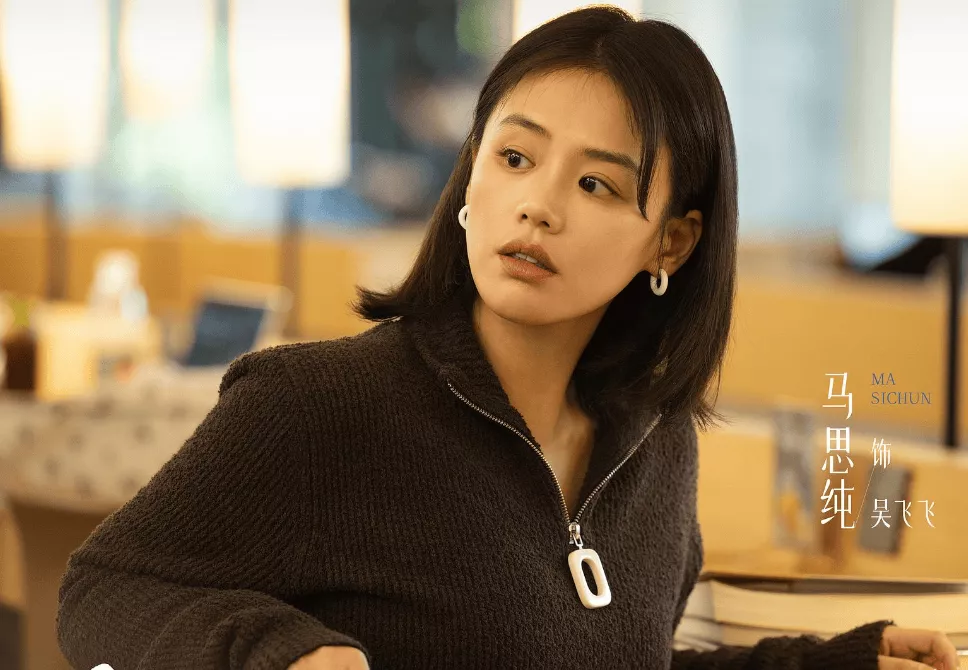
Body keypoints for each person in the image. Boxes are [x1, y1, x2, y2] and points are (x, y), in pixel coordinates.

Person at [56, 7, 959, 670]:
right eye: (515, 157)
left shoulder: (657, 444)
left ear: (672, 243)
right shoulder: (317, 405)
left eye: (598, 185)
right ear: (471, 169)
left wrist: (834, 662)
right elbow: (105, 589)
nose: (538, 205)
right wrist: (282, 652)